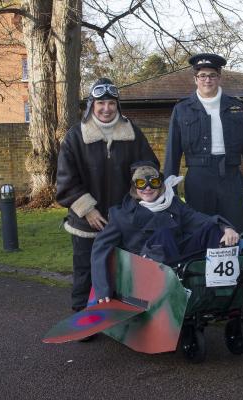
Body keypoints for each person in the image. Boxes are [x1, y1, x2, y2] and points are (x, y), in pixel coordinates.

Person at [56, 78, 159, 313]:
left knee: (125, 268)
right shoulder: (75, 137)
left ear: (117, 106)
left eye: (111, 103)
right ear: (92, 104)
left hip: (124, 218)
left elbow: (149, 167)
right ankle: (83, 316)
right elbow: (65, 179)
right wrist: (88, 209)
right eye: (100, 103)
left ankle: (123, 316)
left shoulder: (133, 133)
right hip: (86, 220)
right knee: (86, 269)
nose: (106, 109)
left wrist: (138, 192)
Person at [91, 161, 239, 303]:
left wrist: (226, 228)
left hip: (179, 258)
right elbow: (100, 248)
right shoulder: (121, 215)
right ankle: (176, 293)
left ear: (160, 184)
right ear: (134, 187)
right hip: (145, 268)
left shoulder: (173, 203)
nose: (147, 188)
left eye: (153, 182)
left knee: (212, 228)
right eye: (141, 183)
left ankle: (218, 291)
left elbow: (197, 219)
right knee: (163, 233)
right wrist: (103, 289)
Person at [163, 53, 243, 235]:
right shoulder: (182, 109)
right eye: (202, 75)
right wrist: (170, 188)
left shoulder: (236, 107)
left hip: (231, 176)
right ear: (195, 79)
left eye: (212, 75)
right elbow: (173, 151)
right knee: (201, 230)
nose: (207, 80)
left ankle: (237, 263)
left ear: (219, 77)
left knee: (236, 229)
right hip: (198, 179)